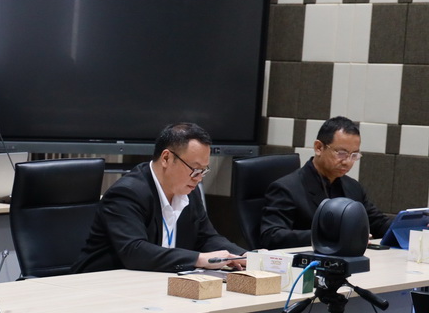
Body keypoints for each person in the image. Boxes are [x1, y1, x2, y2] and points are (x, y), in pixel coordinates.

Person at [72, 122, 246, 273]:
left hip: (156, 280)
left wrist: (244, 256)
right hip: (102, 284)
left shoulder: (189, 191)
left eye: (203, 170)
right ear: (166, 158)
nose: (199, 177)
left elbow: (207, 238)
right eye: (195, 169)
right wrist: (199, 259)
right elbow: (134, 251)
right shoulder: (127, 193)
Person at [259, 116, 390, 249]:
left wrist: (401, 227)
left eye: (354, 155)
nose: (347, 162)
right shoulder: (286, 188)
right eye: (341, 153)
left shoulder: (353, 187)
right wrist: (331, 236)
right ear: (319, 148)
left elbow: (378, 223)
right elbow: (271, 236)